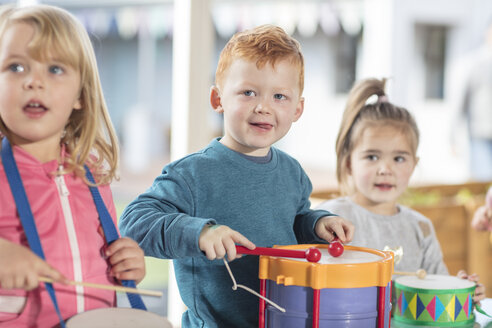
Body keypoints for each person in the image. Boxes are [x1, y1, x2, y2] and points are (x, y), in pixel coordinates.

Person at [119, 24, 355, 328]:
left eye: (280, 96)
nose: (263, 107)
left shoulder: (292, 172)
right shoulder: (192, 174)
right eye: (248, 92)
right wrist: (200, 233)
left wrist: (318, 223)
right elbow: (134, 222)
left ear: (298, 109)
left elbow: (295, 221)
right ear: (218, 100)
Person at [0, 4, 145, 326]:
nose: (34, 82)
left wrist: (127, 261)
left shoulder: (91, 172)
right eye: (16, 67)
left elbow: (102, 253)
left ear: (80, 94)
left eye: (54, 70)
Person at [316, 78, 485, 303]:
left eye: (399, 158)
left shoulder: (421, 227)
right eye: (372, 157)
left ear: (413, 165)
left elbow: (437, 290)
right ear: (348, 163)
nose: (385, 169)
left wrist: (459, 290)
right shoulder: (330, 219)